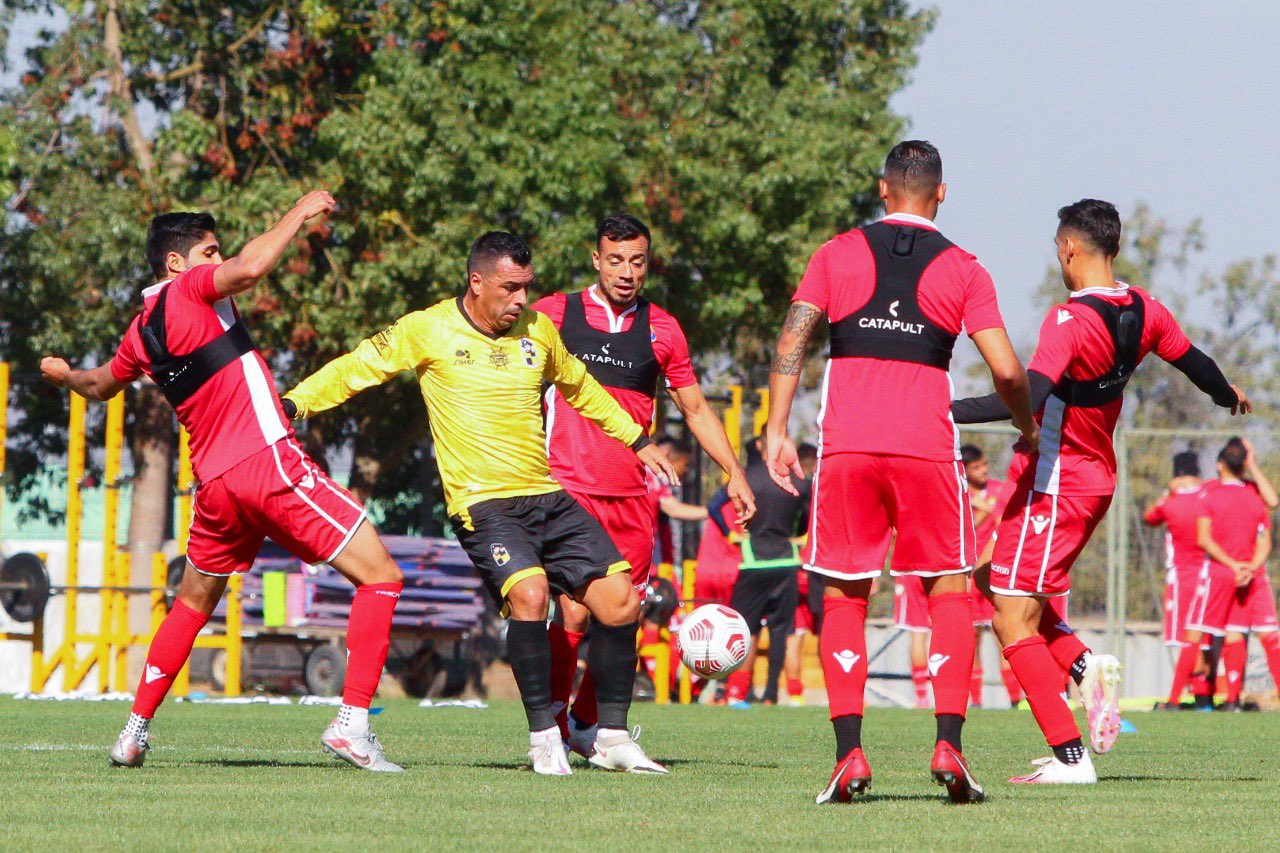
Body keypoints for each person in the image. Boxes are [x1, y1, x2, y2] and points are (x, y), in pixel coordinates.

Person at [283, 231, 678, 776]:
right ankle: (545, 738)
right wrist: (295, 402)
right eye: (510, 289)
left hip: (546, 493)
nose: (521, 301)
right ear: (477, 282)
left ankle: (609, 737)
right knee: (533, 596)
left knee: (621, 603)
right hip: (483, 504)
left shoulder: (538, 331)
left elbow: (582, 387)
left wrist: (637, 439)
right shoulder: (428, 328)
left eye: (526, 288)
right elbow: (357, 367)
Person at [40, 195, 407, 771]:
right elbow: (254, 266)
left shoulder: (140, 334)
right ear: (176, 264)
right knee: (382, 577)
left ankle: (133, 733)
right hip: (266, 463)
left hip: (215, 487)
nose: (219, 259)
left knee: (189, 604)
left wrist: (64, 375)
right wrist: (299, 212)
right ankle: (352, 725)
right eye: (209, 251)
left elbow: (98, 385)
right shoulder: (192, 290)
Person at [765, 140, 1037, 804]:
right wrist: (1025, 421)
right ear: (941, 193)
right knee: (947, 589)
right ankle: (949, 742)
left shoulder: (835, 254)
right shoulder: (965, 268)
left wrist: (776, 429)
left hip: (848, 445)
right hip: (925, 448)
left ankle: (849, 755)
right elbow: (1005, 370)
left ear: (882, 189)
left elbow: (793, 339)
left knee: (844, 595)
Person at [953, 199, 1251, 784]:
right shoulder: (1144, 308)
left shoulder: (1069, 321)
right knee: (991, 581)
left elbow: (1026, 397)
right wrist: (1226, 393)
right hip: (1083, 477)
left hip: (1056, 481)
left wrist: (939, 407)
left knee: (1011, 621)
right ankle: (1086, 668)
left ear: (1069, 249)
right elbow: (1195, 362)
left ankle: (1069, 756)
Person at [531, 215, 754, 755]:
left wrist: (735, 471)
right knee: (575, 610)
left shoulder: (663, 329)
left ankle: (588, 724)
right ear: (595, 260)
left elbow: (696, 409)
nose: (626, 272)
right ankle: (555, 729)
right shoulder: (553, 314)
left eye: (637, 261)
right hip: (569, 489)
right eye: (615, 260)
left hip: (632, 496)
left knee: (625, 610)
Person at [1188, 438, 1279, 711]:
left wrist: (1245, 567)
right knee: (1236, 634)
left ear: (1219, 464)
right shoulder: (1222, 491)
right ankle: (1230, 700)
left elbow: (1272, 504)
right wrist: (1246, 566)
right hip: (1245, 572)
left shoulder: (1242, 491)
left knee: (1240, 635)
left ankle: (1220, 700)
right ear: (1243, 463)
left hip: (1239, 572)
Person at [722, 437, 811, 706]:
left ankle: (739, 693)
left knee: (747, 629)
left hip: (753, 557)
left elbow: (717, 507)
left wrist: (734, 532)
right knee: (781, 630)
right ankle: (771, 694)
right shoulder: (800, 482)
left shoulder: (748, 477)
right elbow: (804, 523)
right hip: (785, 558)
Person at [1144, 452, 1209, 708]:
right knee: (1206, 637)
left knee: (1188, 640)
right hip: (1211, 574)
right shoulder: (1209, 496)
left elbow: (1149, 518)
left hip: (1183, 577)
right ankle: (1203, 698)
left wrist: (1168, 493)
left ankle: (1175, 699)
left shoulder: (1170, 502)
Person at [961, 444, 1021, 708]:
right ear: (963, 471)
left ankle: (1015, 698)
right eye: (976, 467)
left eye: (984, 464)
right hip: (970, 573)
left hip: (997, 572)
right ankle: (975, 700)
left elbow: (1006, 522)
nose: (983, 470)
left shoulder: (998, 490)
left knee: (1003, 633)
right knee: (972, 637)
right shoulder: (958, 494)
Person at [783, 444, 821, 706]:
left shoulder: (789, 491)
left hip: (794, 567)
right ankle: (840, 692)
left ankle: (795, 696)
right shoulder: (821, 491)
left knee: (794, 635)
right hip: (818, 567)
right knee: (829, 632)